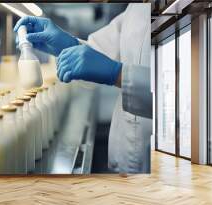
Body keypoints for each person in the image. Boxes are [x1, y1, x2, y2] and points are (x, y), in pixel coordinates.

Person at [14, 3, 152, 173]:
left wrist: (117, 74)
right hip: (126, 158)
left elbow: (183, 93)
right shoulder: (136, 8)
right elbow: (108, 48)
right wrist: (68, 45)